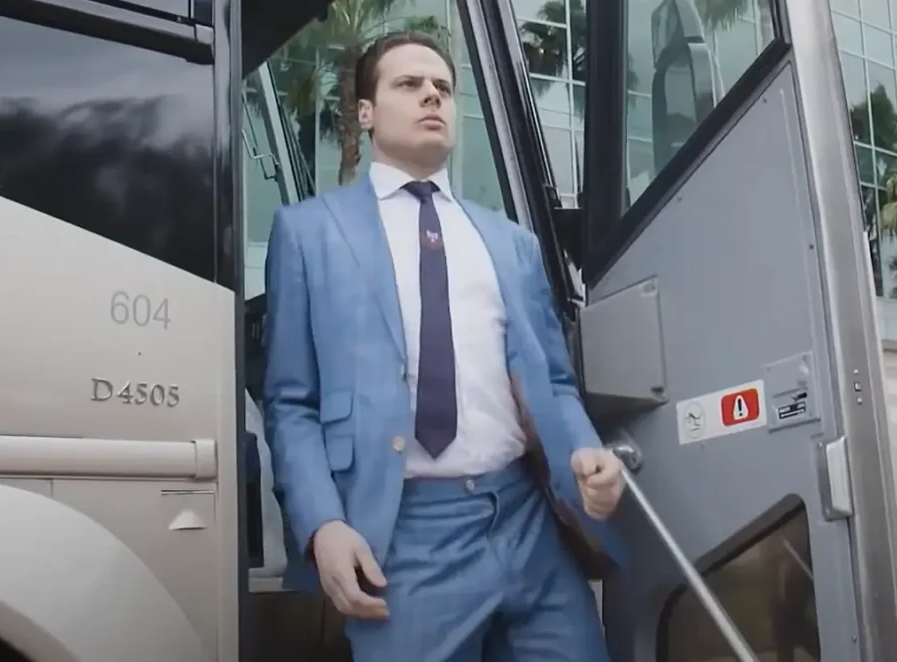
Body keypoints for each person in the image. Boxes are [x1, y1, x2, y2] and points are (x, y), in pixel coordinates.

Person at [263, 30, 626, 662]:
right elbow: (292, 403)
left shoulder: (511, 243)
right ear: (367, 113)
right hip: (404, 533)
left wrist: (589, 456)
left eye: (443, 88)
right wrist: (323, 525)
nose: (432, 94)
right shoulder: (308, 232)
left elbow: (554, 384)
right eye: (409, 84)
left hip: (525, 518)